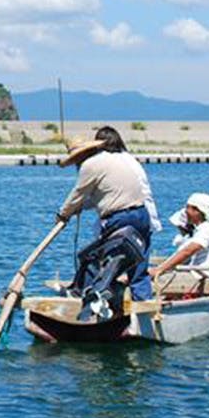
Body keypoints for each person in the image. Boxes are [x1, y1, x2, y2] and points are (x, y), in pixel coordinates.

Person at [57, 126, 157, 321]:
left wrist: (63, 214)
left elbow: (78, 194)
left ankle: (97, 295)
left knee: (93, 258)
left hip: (119, 218)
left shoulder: (90, 165)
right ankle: (143, 302)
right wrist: (80, 207)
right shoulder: (118, 159)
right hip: (142, 215)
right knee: (138, 262)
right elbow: (103, 194)